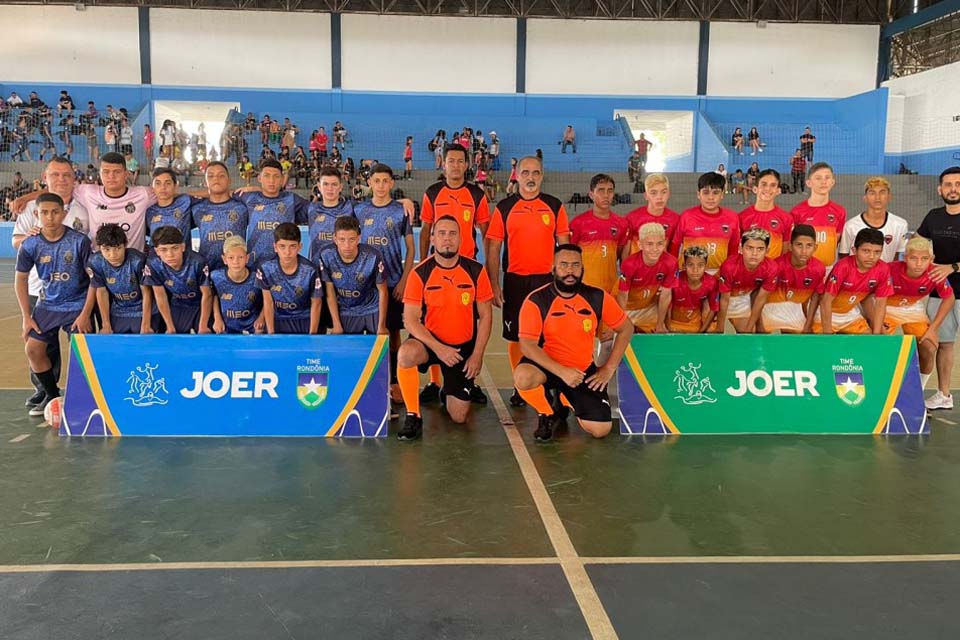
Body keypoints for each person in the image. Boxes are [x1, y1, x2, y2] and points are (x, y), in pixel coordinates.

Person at [514, 244, 633, 442]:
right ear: (553, 268)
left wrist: (608, 368)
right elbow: (527, 345)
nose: (570, 271)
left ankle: (564, 398)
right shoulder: (536, 300)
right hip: (546, 367)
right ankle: (546, 411)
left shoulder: (597, 297)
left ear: (582, 268)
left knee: (601, 430)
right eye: (564, 265)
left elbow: (626, 328)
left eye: (575, 265)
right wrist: (562, 372)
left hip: (581, 371)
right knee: (523, 377)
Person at [394, 216, 494, 438]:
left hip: (461, 350)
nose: (447, 238)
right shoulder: (420, 273)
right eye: (441, 233)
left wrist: (477, 355)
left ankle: (448, 389)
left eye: (452, 233)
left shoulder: (475, 270)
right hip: (429, 344)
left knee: (459, 417)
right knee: (405, 354)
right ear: (432, 238)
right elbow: (410, 320)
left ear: (460, 239)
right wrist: (439, 349)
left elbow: (486, 316)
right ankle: (413, 415)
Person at [486, 155, 570, 406]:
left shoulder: (554, 205)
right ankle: (519, 386)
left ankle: (553, 385)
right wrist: (494, 284)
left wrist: (566, 281)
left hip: (547, 283)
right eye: (525, 173)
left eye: (535, 173)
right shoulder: (505, 207)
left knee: (551, 336)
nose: (530, 178)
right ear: (517, 176)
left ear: (542, 176)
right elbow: (493, 248)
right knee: (516, 336)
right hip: (515, 281)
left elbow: (565, 247)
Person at [11, 158, 90, 410]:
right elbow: (20, 277)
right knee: (36, 348)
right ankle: (50, 395)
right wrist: (26, 316)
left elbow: (93, 278)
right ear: (37, 214)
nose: (50, 216)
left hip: (77, 302)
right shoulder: (31, 241)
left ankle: (84, 397)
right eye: (44, 213)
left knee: (83, 351)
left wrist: (86, 313)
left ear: (64, 214)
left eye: (55, 212)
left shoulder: (79, 236)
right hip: (46, 300)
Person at [419, 144, 492, 403]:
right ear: (443, 163)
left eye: (461, 161)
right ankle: (434, 381)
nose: (456, 166)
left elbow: (486, 233)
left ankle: (470, 381)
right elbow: (426, 230)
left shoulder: (476, 194)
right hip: (437, 269)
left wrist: (487, 268)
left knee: (469, 327)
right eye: (451, 161)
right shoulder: (433, 192)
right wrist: (424, 262)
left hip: (467, 271)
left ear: (467, 164)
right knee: (433, 323)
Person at [355, 163, 416, 402]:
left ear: (392, 183)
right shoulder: (359, 210)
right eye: (376, 181)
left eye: (385, 181)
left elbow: (411, 249)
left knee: (393, 333)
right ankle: (367, 382)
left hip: (392, 283)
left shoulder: (401, 211)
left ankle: (395, 381)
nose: (381, 185)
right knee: (366, 333)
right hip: (365, 285)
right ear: (369, 183)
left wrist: (404, 280)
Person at [885, 236, 955, 391]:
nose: (918, 264)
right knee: (880, 342)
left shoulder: (934, 272)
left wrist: (933, 329)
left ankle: (919, 390)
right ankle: (882, 385)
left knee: (929, 346)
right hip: (886, 306)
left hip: (913, 307)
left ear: (932, 259)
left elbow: (949, 298)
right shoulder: (889, 269)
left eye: (924, 259)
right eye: (913, 258)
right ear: (905, 258)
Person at [571, 174, 629, 362]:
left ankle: (602, 378)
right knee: (581, 338)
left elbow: (621, 256)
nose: (606, 195)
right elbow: (570, 256)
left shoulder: (621, 224)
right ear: (591, 194)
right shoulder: (579, 223)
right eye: (601, 191)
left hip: (608, 293)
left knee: (607, 340)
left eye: (610, 191)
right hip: (584, 292)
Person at [917, 167, 960, 410]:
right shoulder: (933, 216)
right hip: (939, 293)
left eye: (958, 184)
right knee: (943, 343)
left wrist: (951, 267)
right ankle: (944, 394)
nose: (953, 189)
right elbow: (918, 243)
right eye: (948, 184)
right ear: (939, 189)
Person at [318, 216, 387, 336]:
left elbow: (383, 291)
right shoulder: (326, 255)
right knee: (344, 343)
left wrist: (381, 326)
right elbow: (330, 291)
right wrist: (336, 324)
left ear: (359, 238)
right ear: (335, 239)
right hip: (346, 309)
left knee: (381, 339)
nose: (347, 245)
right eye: (342, 239)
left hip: (371, 307)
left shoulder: (373, 256)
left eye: (352, 239)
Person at [816, 228, 892, 335]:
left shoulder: (883, 269)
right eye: (866, 251)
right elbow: (825, 302)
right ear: (854, 250)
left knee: (868, 338)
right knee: (821, 342)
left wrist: (876, 335)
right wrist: (828, 335)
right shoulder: (843, 267)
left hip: (849, 314)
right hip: (825, 313)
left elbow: (880, 305)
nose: (871, 257)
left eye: (877, 252)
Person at [236, 159, 309, 266]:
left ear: (282, 179)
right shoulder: (249, 197)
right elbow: (222, 194)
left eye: (276, 176)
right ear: (259, 178)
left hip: (283, 267)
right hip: (254, 264)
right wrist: (256, 189)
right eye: (267, 175)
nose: (271, 180)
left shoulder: (291, 199)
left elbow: (316, 209)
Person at [86, 224, 154, 335]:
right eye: (106, 249)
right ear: (99, 247)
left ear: (125, 245)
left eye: (118, 248)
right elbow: (101, 292)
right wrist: (106, 324)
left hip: (141, 309)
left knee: (143, 341)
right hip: (118, 310)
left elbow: (147, 292)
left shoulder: (138, 260)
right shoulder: (95, 262)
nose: (112, 255)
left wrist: (146, 323)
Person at [256, 223, 323, 335]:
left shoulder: (310, 270)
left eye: (292, 246)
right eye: (282, 246)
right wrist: (271, 333)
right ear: (275, 247)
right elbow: (268, 302)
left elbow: (316, 303)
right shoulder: (266, 268)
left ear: (300, 247)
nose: (287, 252)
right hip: (278, 319)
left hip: (304, 320)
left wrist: (312, 335)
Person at [143, 226, 212, 334]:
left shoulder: (198, 262)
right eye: (163, 250)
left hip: (199, 304)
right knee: (170, 334)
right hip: (177, 303)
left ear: (183, 247)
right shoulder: (153, 264)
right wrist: (169, 326)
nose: (170, 254)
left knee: (206, 333)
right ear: (157, 251)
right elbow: (160, 296)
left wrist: (203, 325)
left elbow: (207, 294)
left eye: (175, 248)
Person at [670, 172, 740, 274]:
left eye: (715, 193)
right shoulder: (687, 216)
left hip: (719, 274)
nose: (710, 197)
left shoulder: (732, 217)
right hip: (689, 274)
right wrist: (672, 272)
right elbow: (675, 247)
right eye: (706, 192)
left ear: (722, 195)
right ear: (698, 194)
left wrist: (728, 273)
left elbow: (733, 249)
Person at [760, 224, 825, 334]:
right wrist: (759, 325)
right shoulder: (776, 266)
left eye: (809, 246)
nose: (804, 251)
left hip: (794, 310)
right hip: (769, 309)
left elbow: (815, 297)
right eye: (799, 245)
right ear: (790, 246)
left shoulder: (818, 268)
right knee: (755, 337)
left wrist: (808, 324)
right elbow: (759, 297)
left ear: (815, 247)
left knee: (807, 338)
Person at [715, 228, 778, 333]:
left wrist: (748, 329)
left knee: (750, 332)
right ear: (741, 248)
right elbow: (724, 300)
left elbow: (760, 300)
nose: (754, 253)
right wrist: (720, 328)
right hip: (719, 297)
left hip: (742, 298)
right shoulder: (730, 266)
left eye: (760, 249)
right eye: (749, 248)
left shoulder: (771, 268)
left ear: (767, 251)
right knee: (710, 330)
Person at [617, 222, 677, 334]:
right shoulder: (629, 264)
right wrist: (620, 322)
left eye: (659, 244)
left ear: (664, 243)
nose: (655, 249)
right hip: (627, 308)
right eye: (649, 244)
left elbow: (666, 295)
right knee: (612, 335)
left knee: (660, 334)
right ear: (640, 245)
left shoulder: (671, 262)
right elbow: (622, 295)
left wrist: (660, 324)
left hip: (648, 307)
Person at [191, 162, 249, 271]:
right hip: (207, 272)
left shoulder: (242, 207)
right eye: (211, 176)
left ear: (229, 180)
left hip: (236, 272)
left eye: (221, 175)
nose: (216, 179)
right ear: (205, 182)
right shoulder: (197, 209)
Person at [839, 177, 909, 264]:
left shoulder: (900, 225)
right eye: (872, 193)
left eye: (882, 192)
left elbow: (899, 256)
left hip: (886, 272)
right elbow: (843, 255)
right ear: (865, 198)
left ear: (889, 197)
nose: (877, 197)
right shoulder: (851, 226)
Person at [790, 162, 846, 268]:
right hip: (803, 268)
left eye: (827, 178)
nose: (823, 182)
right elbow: (792, 244)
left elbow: (836, 242)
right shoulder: (797, 212)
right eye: (818, 178)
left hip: (828, 268)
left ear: (832, 182)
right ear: (808, 183)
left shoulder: (839, 211)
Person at [209, 236, 264, 335]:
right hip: (226, 326)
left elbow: (268, 299)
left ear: (247, 258)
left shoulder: (257, 277)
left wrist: (261, 318)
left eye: (240, 257)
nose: (236, 262)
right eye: (231, 258)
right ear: (224, 259)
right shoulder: (216, 277)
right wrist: (217, 318)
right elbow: (214, 296)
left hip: (252, 326)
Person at [739, 169, 793, 259]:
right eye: (764, 184)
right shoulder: (742, 217)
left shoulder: (786, 218)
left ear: (778, 191)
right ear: (755, 189)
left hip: (775, 267)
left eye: (773, 185)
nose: (768, 189)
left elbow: (785, 251)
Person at [668, 246, 719, 333]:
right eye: (690, 265)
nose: (695, 270)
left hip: (695, 323)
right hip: (674, 323)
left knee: (712, 328)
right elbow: (666, 306)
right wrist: (668, 328)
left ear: (706, 267)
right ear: (684, 266)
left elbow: (714, 308)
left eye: (700, 265)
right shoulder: (675, 280)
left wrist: (702, 332)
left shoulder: (712, 283)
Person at [625, 173, 678, 256]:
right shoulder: (632, 218)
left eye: (664, 192)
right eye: (653, 193)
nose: (659, 197)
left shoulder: (675, 219)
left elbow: (673, 252)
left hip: (663, 264)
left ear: (669, 194)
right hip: (637, 264)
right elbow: (625, 252)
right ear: (646, 196)